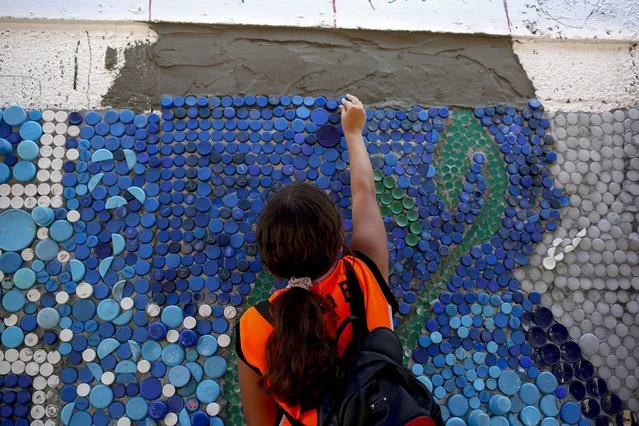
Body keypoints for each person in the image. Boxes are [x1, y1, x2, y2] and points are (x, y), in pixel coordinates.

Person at [236, 94, 397, 425]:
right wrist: (354, 132)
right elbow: (364, 192)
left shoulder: (254, 326)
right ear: (340, 239)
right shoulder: (366, 271)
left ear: (271, 263)